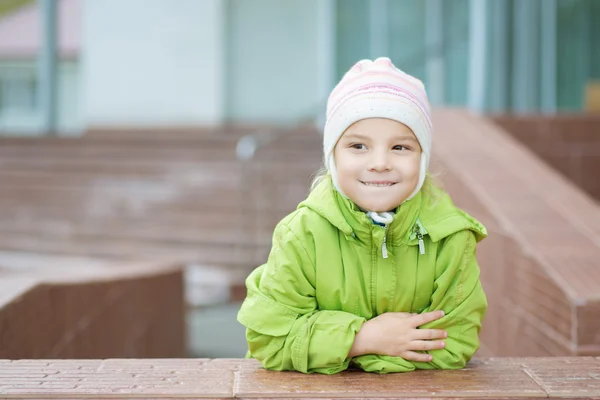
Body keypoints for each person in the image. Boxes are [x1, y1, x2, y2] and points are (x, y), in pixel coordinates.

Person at [237, 57, 487, 374]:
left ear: (422, 158)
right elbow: (269, 339)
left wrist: (330, 351)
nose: (380, 162)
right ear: (333, 155)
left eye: (400, 147)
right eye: (358, 146)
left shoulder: (450, 238)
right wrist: (364, 339)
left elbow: (453, 344)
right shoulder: (301, 234)